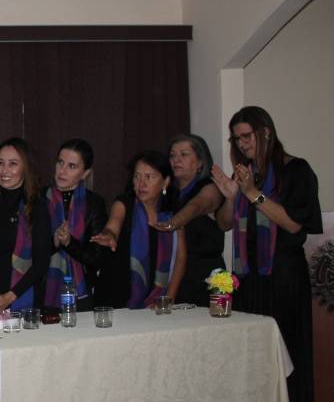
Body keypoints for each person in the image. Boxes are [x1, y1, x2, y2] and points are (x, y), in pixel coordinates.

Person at [212, 105, 321, 402]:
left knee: (289, 363)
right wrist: (232, 196)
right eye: (236, 139)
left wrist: (252, 193)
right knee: (254, 367)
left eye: (247, 136)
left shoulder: (296, 170)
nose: (242, 144)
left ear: (266, 132)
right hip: (249, 280)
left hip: (283, 277)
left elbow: (293, 224)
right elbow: (224, 223)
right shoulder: (246, 175)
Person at [93, 150, 187, 309]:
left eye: (149, 177)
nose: (141, 184)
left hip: (157, 301)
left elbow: (180, 258)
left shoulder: (173, 214)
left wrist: (169, 299)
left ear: (165, 182)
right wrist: (109, 235)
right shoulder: (124, 203)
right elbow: (113, 225)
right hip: (116, 297)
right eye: (137, 176)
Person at [150, 134, 225, 305]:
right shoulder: (168, 192)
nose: (176, 160)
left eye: (184, 154)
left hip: (202, 274)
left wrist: (173, 223)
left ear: (200, 162)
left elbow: (196, 206)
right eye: (172, 155)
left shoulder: (210, 187)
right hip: (170, 272)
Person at [0, 138, 52, 312]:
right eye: (0, 163)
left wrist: (9, 296)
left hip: (24, 298)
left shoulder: (36, 206)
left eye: (13, 164)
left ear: (25, 168)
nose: (4, 170)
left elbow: (41, 263)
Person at [44, 139, 107, 312]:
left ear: (85, 173)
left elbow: (97, 257)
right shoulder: (39, 198)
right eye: (60, 162)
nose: (62, 170)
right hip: (42, 289)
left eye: (71, 166)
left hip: (81, 292)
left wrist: (69, 242)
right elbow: (29, 251)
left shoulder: (94, 204)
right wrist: (55, 241)